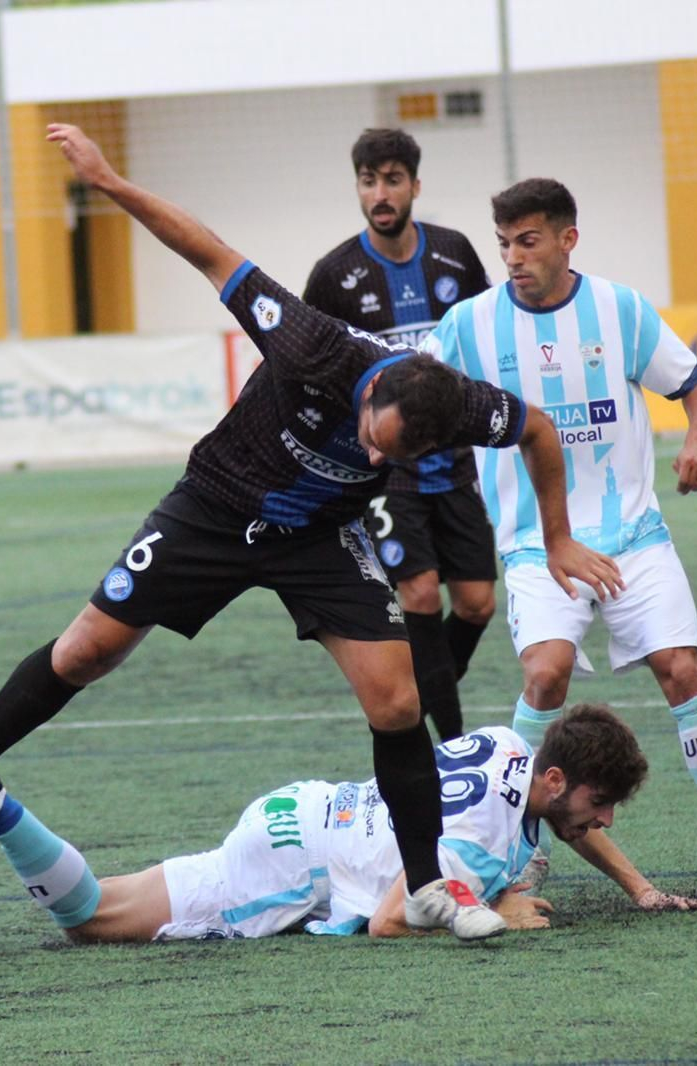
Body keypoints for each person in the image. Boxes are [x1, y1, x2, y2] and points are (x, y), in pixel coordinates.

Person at [0, 123, 625, 942]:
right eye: (374, 432)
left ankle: (432, 885)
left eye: (392, 453)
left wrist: (556, 539)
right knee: (86, 651)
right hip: (216, 509)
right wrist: (111, 182)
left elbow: (540, 430)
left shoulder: (461, 402)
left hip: (320, 538)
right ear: (370, 394)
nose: (373, 450)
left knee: (398, 698)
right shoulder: (310, 343)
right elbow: (208, 250)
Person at [423, 177, 697, 904]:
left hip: (634, 537)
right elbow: (413, 390)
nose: (514, 257)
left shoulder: (620, 309)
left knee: (681, 670)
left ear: (566, 238)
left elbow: (695, 383)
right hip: (532, 544)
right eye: (505, 244)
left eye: (529, 240)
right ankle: (525, 845)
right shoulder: (469, 325)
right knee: (546, 674)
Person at [0, 703, 697, 942]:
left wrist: (639, 886)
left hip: (305, 809)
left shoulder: (507, 745)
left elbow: (560, 821)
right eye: (599, 803)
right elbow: (394, 919)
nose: (601, 820)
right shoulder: (481, 840)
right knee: (93, 924)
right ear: (556, 779)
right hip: (293, 866)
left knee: (99, 904)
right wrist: (494, 909)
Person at [304, 128, 497, 743]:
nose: (380, 193)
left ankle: (421, 686)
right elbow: (310, 362)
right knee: (416, 592)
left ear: (415, 185)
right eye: (369, 181)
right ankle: (454, 744)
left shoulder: (455, 254)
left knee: (475, 603)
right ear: (358, 187)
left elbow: (483, 335)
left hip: (455, 459)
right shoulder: (334, 274)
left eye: (392, 179)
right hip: (387, 469)